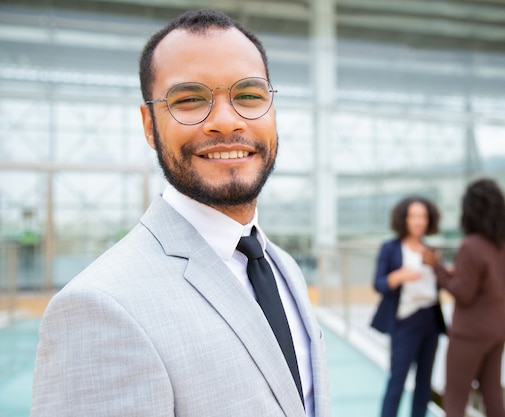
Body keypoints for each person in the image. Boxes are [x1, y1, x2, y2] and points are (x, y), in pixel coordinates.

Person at [31, 9, 330, 417]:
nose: (225, 122)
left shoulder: (283, 268)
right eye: (189, 100)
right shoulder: (100, 306)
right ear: (150, 126)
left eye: (249, 96)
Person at [424, 178, 505, 417]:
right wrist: (453, 273)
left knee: (455, 400)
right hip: (498, 330)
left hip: (469, 334)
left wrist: (436, 267)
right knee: (494, 399)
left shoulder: (470, 246)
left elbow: (463, 294)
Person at [370, 196, 447, 417]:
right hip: (404, 320)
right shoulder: (390, 248)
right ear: (403, 219)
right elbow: (379, 283)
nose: (418, 221)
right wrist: (399, 276)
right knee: (398, 379)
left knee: (424, 383)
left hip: (430, 320)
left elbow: (438, 284)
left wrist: (442, 269)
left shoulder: (431, 250)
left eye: (422, 216)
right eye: (413, 216)